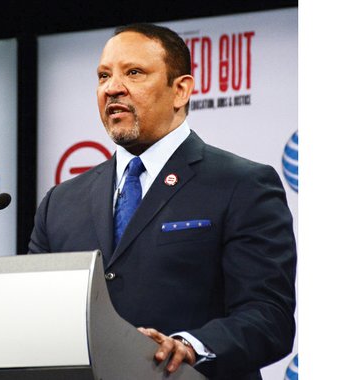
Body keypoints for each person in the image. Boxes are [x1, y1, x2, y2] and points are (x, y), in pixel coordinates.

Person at [28, 23, 296, 380]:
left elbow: (268, 317)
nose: (112, 88)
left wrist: (190, 346)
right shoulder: (59, 203)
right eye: (103, 76)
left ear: (181, 90)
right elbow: (33, 315)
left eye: (134, 73)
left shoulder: (242, 184)